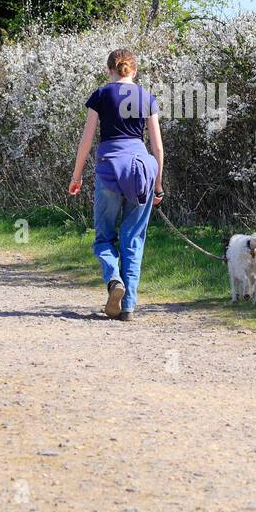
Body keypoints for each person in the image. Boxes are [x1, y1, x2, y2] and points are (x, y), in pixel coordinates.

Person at [68, 48, 164, 320]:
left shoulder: (101, 95)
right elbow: (157, 148)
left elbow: (86, 141)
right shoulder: (146, 98)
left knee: (104, 236)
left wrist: (76, 177)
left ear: (109, 69)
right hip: (141, 170)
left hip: (109, 167)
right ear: (134, 70)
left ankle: (114, 281)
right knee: (133, 238)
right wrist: (157, 186)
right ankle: (129, 305)